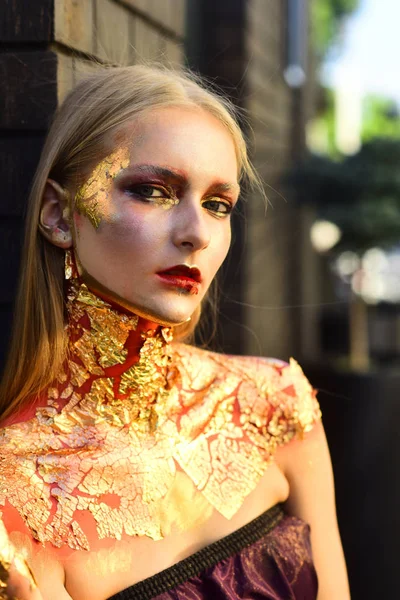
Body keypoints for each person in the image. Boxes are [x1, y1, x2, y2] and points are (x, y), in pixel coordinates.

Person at [0, 64, 349, 600]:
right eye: (153, 191)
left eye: (218, 205)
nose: (197, 234)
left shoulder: (272, 403)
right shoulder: (13, 490)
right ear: (59, 215)